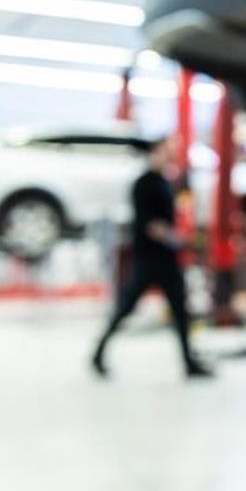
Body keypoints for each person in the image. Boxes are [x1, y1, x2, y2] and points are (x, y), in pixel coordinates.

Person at [92, 135, 213, 378]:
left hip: (166, 259)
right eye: (167, 149)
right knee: (127, 307)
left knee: (180, 310)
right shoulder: (144, 184)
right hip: (149, 258)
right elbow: (151, 225)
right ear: (155, 151)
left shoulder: (164, 182)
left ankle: (189, 362)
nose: (171, 153)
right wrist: (180, 241)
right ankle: (98, 353)